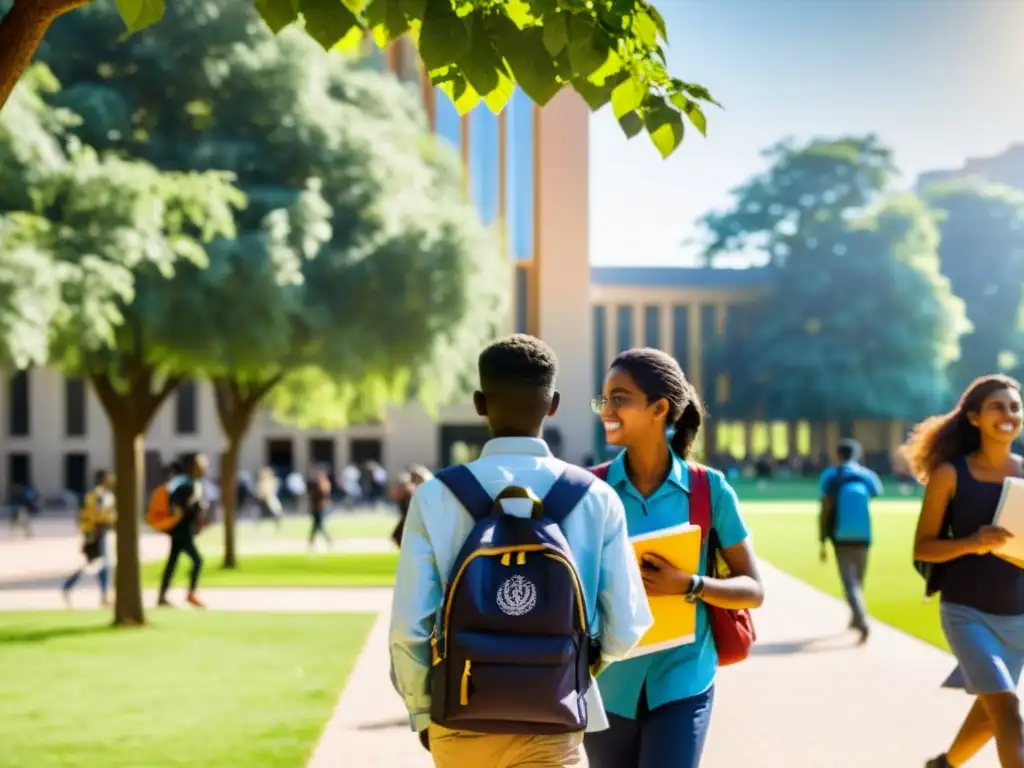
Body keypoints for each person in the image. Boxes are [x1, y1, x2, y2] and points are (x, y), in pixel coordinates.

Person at [389, 334, 652, 768]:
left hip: (461, 715)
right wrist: (575, 666)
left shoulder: (435, 496)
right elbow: (627, 625)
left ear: (478, 402)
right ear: (553, 404)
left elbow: (408, 629)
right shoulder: (596, 497)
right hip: (553, 718)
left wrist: (422, 710)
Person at [584, 347, 764, 768]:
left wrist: (691, 584)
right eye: (604, 399)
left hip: (684, 680)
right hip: (608, 684)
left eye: (620, 398)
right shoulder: (591, 491)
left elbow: (752, 590)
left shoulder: (710, 490)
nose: (606, 409)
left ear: (659, 408)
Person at [906, 374, 1024, 768]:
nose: (1008, 414)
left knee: (993, 712)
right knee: (1007, 711)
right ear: (974, 417)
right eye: (997, 407)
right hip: (967, 613)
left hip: (1018, 615)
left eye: (1014, 407)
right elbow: (924, 548)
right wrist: (973, 542)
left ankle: (943, 766)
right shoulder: (950, 474)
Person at [818, 437, 883, 643]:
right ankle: (856, 617)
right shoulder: (867, 476)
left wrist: (822, 539)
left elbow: (825, 507)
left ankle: (861, 621)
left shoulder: (831, 476)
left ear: (838, 454)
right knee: (859, 580)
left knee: (849, 582)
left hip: (841, 535)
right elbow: (876, 494)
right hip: (864, 535)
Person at [157, 453, 210, 609]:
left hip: (183, 530)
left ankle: (162, 596)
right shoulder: (186, 485)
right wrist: (179, 521)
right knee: (198, 561)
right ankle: (191, 593)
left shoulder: (194, 483)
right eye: (203, 465)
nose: (205, 468)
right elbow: (177, 506)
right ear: (195, 467)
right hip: (182, 531)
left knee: (172, 562)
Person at [62, 470, 117, 607]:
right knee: (104, 564)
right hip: (100, 531)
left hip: (94, 531)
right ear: (104, 479)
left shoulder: (94, 494)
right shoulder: (102, 495)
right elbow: (100, 512)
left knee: (97, 563)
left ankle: (70, 586)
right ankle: (103, 596)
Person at [308, 468, 333, 551]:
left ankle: (326, 541)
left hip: (320, 508)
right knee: (316, 526)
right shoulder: (318, 485)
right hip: (316, 508)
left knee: (318, 526)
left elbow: (324, 496)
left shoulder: (323, 485)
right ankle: (313, 542)